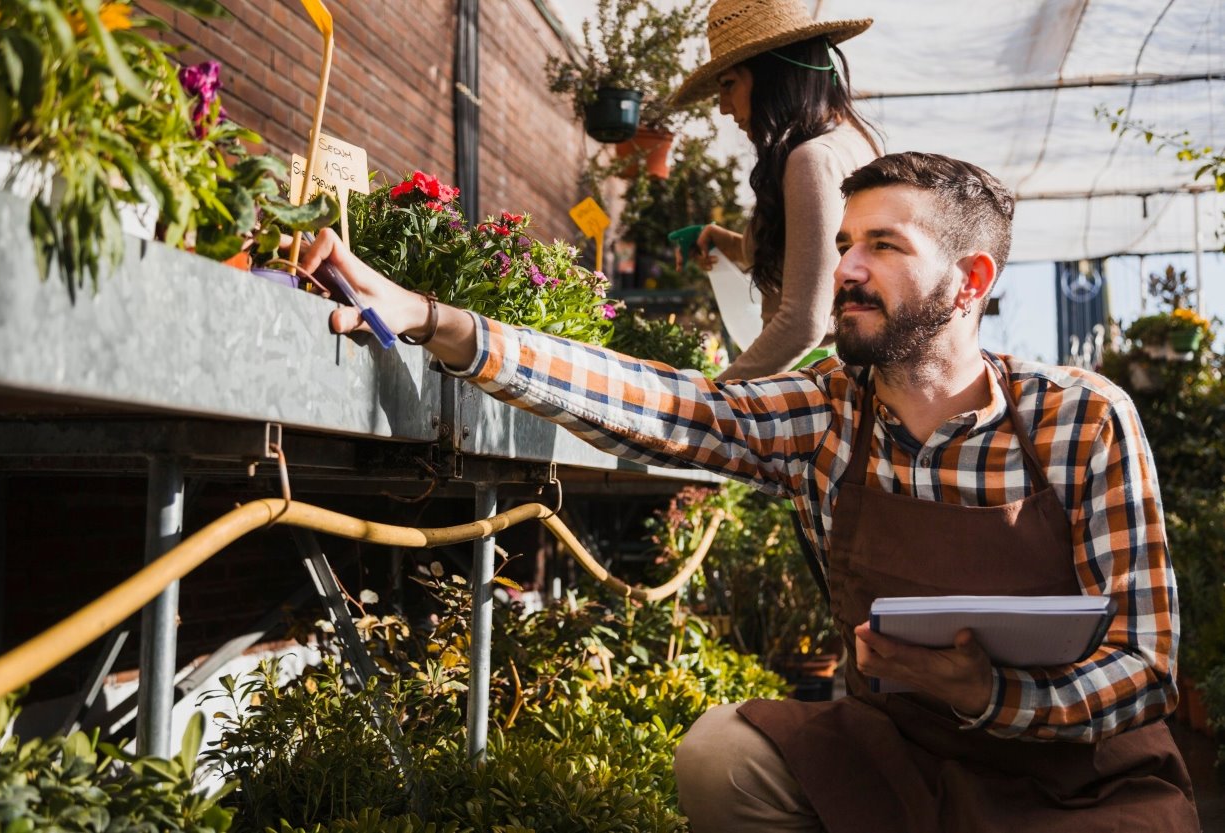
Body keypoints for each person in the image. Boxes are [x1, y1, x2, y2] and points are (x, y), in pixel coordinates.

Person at [301, 151, 1198, 832]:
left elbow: (1147, 668)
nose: (845, 268)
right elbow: (665, 405)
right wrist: (435, 319)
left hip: (1075, 768)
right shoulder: (825, 411)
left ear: (970, 283)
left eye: (884, 246)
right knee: (719, 757)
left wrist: (992, 694)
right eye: (846, 244)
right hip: (902, 752)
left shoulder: (1080, 419)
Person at [670, 0, 880, 381]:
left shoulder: (811, 159)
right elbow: (807, 260)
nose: (722, 107)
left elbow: (803, 322)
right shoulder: (853, 140)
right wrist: (725, 241)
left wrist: (712, 400)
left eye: (729, 84)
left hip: (812, 384)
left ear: (773, 74)